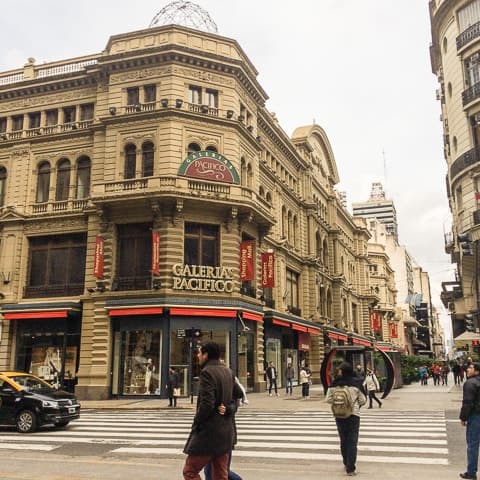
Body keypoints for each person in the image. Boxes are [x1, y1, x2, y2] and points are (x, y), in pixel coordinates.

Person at [183, 342, 242, 480]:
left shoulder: (207, 372)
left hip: (209, 434)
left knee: (190, 471)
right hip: (225, 434)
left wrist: (197, 422)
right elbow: (239, 394)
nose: (197, 356)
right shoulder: (228, 371)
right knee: (220, 475)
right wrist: (229, 408)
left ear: (206, 355)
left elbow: (207, 404)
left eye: (199, 353)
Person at [326, 361, 367, 476]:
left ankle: (345, 462)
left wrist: (338, 403)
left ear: (342, 371)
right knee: (352, 441)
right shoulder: (356, 383)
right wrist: (355, 405)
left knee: (343, 440)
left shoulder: (335, 383)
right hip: (353, 415)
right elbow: (363, 400)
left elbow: (328, 399)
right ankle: (351, 468)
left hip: (339, 415)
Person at [204, 376, 247, 480]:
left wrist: (227, 409)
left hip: (225, 435)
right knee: (212, 470)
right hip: (217, 435)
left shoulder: (230, 384)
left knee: (217, 471)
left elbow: (235, 404)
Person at [459, 362, 480, 480]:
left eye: (471, 368)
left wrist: (463, 417)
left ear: (477, 371)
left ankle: (471, 472)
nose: (467, 369)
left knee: (473, 445)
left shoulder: (470, 383)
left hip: (476, 417)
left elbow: (467, 403)